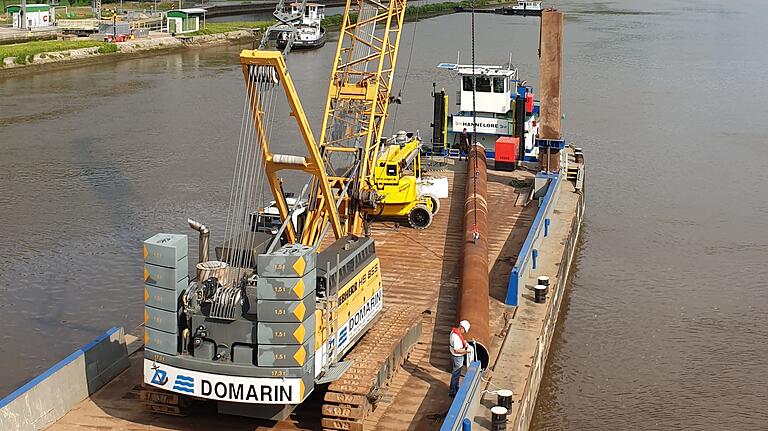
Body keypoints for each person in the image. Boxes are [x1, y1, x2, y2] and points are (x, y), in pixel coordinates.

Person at [448, 319, 472, 397]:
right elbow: (457, 350)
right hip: (457, 357)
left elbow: (460, 340)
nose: (464, 332)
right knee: (456, 374)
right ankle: (453, 391)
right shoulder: (456, 337)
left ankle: (455, 388)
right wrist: (466, 351)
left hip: (455, 356)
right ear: (461, 328)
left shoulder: (455, 332)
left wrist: (465, 343)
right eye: (464, 331)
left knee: (456, 374)